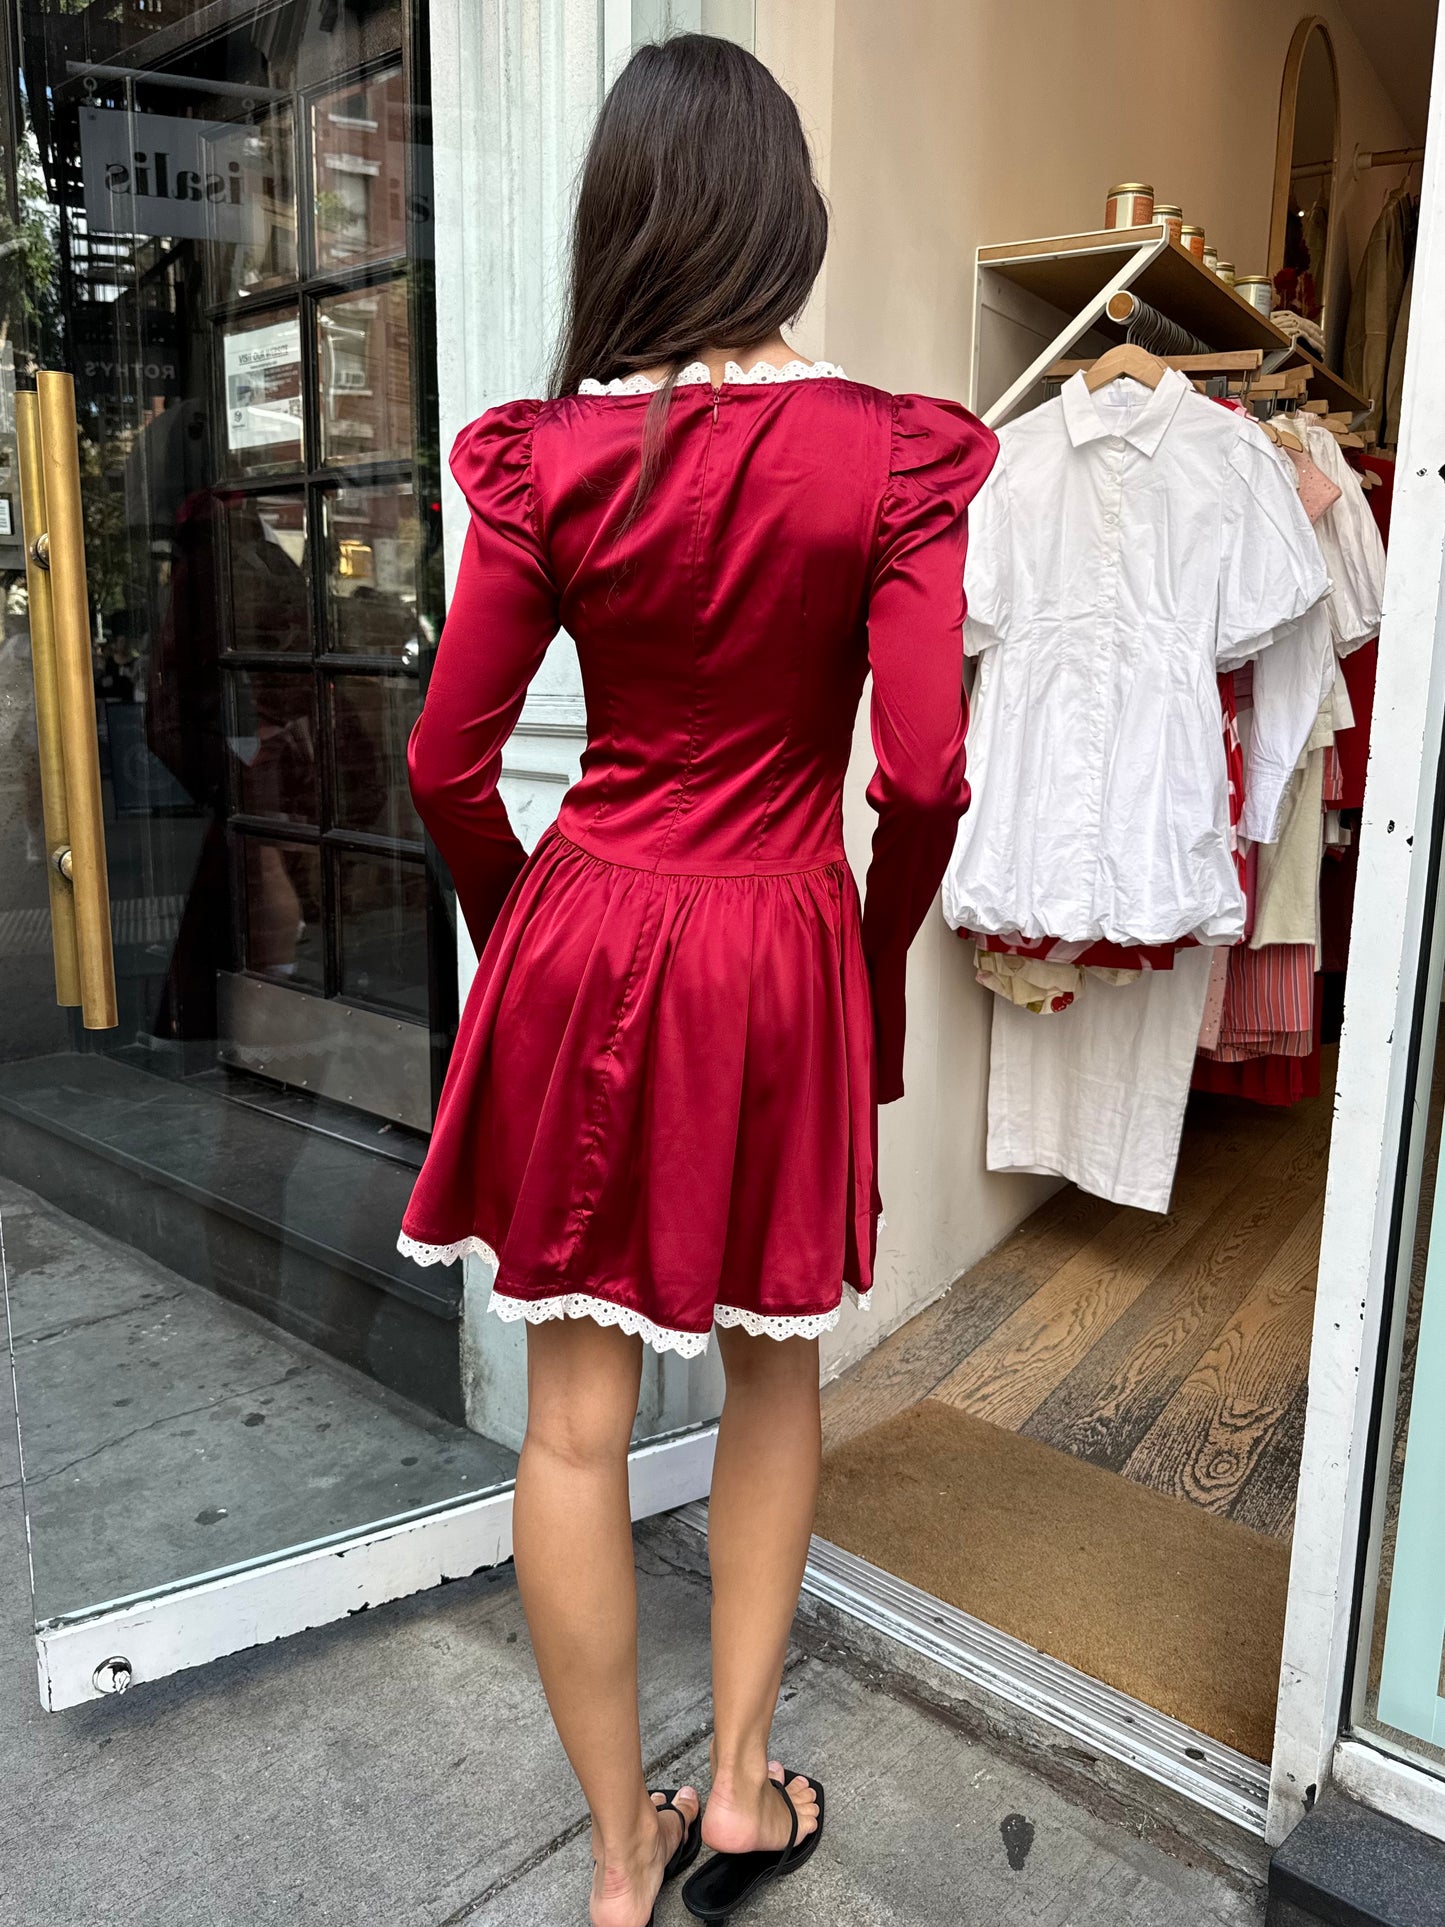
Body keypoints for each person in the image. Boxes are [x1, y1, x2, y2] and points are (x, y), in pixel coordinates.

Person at [397, 33, 995, 1927]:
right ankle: (739, 1792)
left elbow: (442, 759)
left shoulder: (551, 460)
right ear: (785, 220)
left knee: (570, 1417)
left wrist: (523, 929)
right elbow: (926, 772)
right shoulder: (888, 453)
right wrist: (867, 946)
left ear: (620, 228)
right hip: (775, 939)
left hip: (590, 927)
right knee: (770, 1374)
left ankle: (611, 1865)